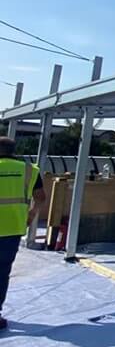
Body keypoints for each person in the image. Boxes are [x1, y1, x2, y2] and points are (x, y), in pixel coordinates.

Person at [0, 136, 46, 330]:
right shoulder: (29, 170)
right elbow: (40, 197)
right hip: (12, 228)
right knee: (2, 272)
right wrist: (31, 215)